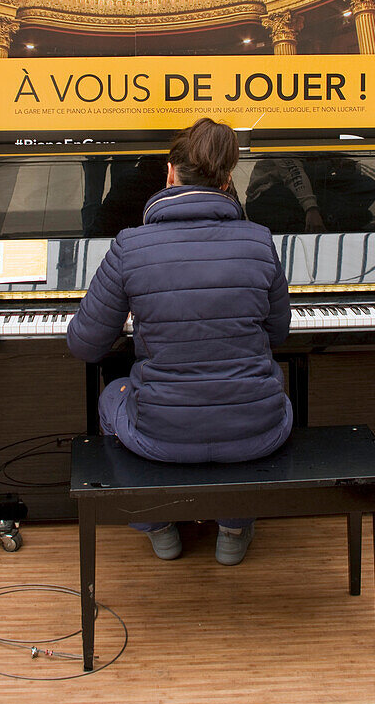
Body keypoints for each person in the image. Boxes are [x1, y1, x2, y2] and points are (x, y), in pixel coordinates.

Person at [67, 117, 292, 565]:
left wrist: (146, 317)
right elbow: (276, 333)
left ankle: (156, 525)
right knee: (269, 388)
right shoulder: (259, 240)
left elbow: (85, 346)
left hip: (161, 433)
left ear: (169, 172)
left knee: (113, 394)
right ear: (227, 180)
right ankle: (234, 525)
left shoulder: (130, 246)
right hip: (256, 432)